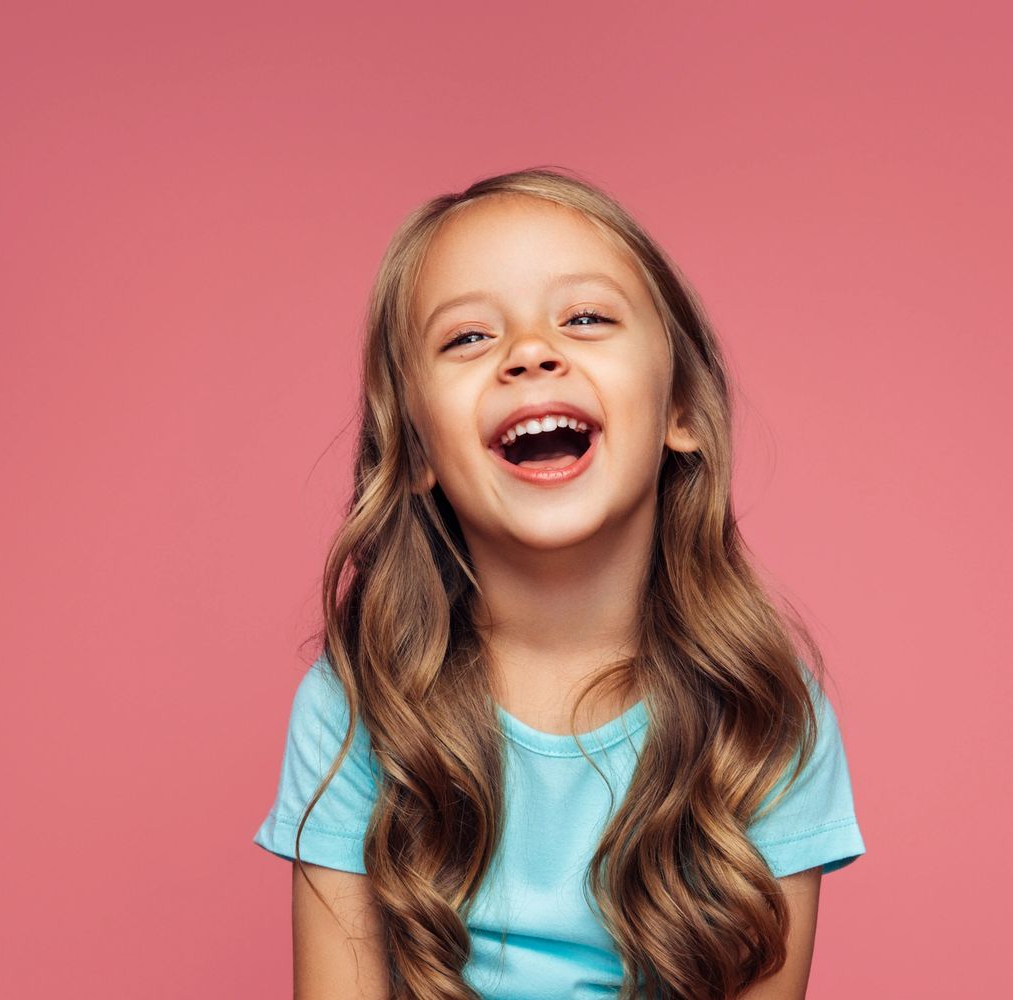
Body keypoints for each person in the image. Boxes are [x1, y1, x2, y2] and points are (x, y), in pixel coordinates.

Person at [253, 167, 866, 1000]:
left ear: (681, 408)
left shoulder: (762, 714)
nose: (530, 353)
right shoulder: (357, 709)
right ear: (420, 451)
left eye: (584, 318)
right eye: (467, 338)